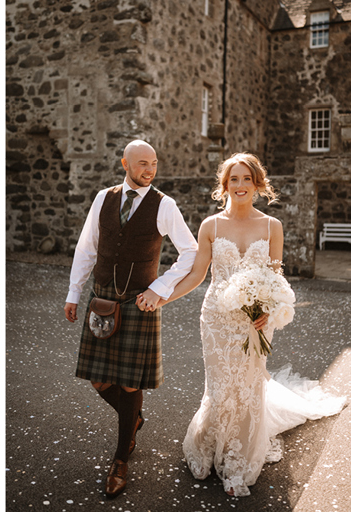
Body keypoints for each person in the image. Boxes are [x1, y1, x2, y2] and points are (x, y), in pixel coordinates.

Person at [156, 152, 346, 496]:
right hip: (216, 319)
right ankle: (208, 444)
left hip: (255, 323)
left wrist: (269, 311)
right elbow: (198, 274)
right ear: (224, 185)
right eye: (233, 179)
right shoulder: (210, 226)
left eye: (246, 179)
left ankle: (237, 462)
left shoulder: (272, 226)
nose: (240, 185)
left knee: (247, 387)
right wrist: (162, 298)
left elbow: (275, 278)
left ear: (257, 184)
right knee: (219, 387)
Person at [63, 140, 198, 498]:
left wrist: (160, 287)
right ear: (125, 163)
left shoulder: (164, 205)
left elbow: (191, 252)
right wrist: (74, 293)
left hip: (139, 305)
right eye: (142, 163)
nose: (149, 170)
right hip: (102, 299)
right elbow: (87, 247)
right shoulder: (103, 198)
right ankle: (133, 419)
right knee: (97, 379)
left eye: (153, 163)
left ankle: (120, 458)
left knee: (128, 385)